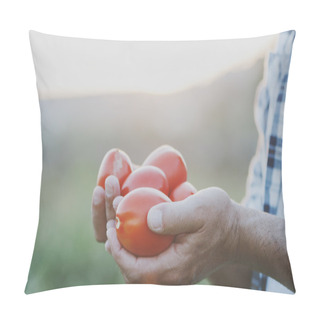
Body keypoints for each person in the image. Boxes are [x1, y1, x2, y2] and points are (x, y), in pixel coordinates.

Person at [91, 30, 295, 293]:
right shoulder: (284, 48)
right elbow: (260, 278)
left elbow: (249, 240)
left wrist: (234, 235)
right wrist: (214, 246)